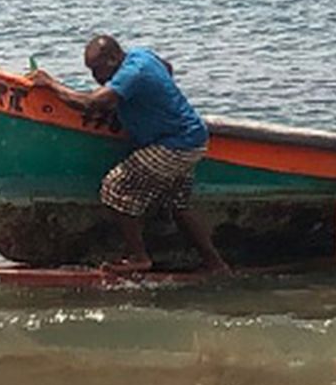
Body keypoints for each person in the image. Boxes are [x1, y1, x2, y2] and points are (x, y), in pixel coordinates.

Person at [30, 34, 229, 275]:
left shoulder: (132, 74)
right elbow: (167, 67)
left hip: (175, 145)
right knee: (177, 205)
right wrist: (141, 100)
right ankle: (215, 263)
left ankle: (139, 258)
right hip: (192, 138)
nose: (95, 77)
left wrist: (51, 84)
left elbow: (92, 103)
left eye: (97, 69)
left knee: (115, 188)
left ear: (114, 59)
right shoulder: (141, 56)